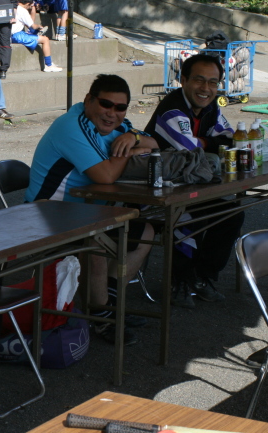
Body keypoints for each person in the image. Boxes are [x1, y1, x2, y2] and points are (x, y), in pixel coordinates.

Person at [25, 74, 157, 345]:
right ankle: (102, 318)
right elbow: (106, 176)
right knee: (95, 242)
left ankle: (108, 305)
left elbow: (154, 144)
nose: (112, 113)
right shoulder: (71, 126)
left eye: (120, 108)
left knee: (145, 232)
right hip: (43, 215)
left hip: (88, 215)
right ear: (88, 100)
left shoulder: (119, 127)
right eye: (106, 104)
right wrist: (129, 152)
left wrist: (132, 136)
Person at [144, 53, 243, 309]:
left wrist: (204, 142)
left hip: (189, 184)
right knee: (189, 215)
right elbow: (190, 150)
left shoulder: (211, 107)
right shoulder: (172, 108)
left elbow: (230, 139)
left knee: (232, 213)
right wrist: (207, 144)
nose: (206, 88)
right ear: (183, 80)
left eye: (213, 82)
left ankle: (202, 277)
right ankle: (180, 281)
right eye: (199, 80)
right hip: (156, 191)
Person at [11, 0, 60, 72]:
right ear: (27, 4)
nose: (31, 7)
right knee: (45, 39)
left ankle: (49, 64)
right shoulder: (23, 11)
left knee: (40, 37)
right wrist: (39, 27)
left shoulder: (14, 7)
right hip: (17, 36)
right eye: (30, 5)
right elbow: (33, 26)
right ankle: (48, 65)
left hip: (11, 35)